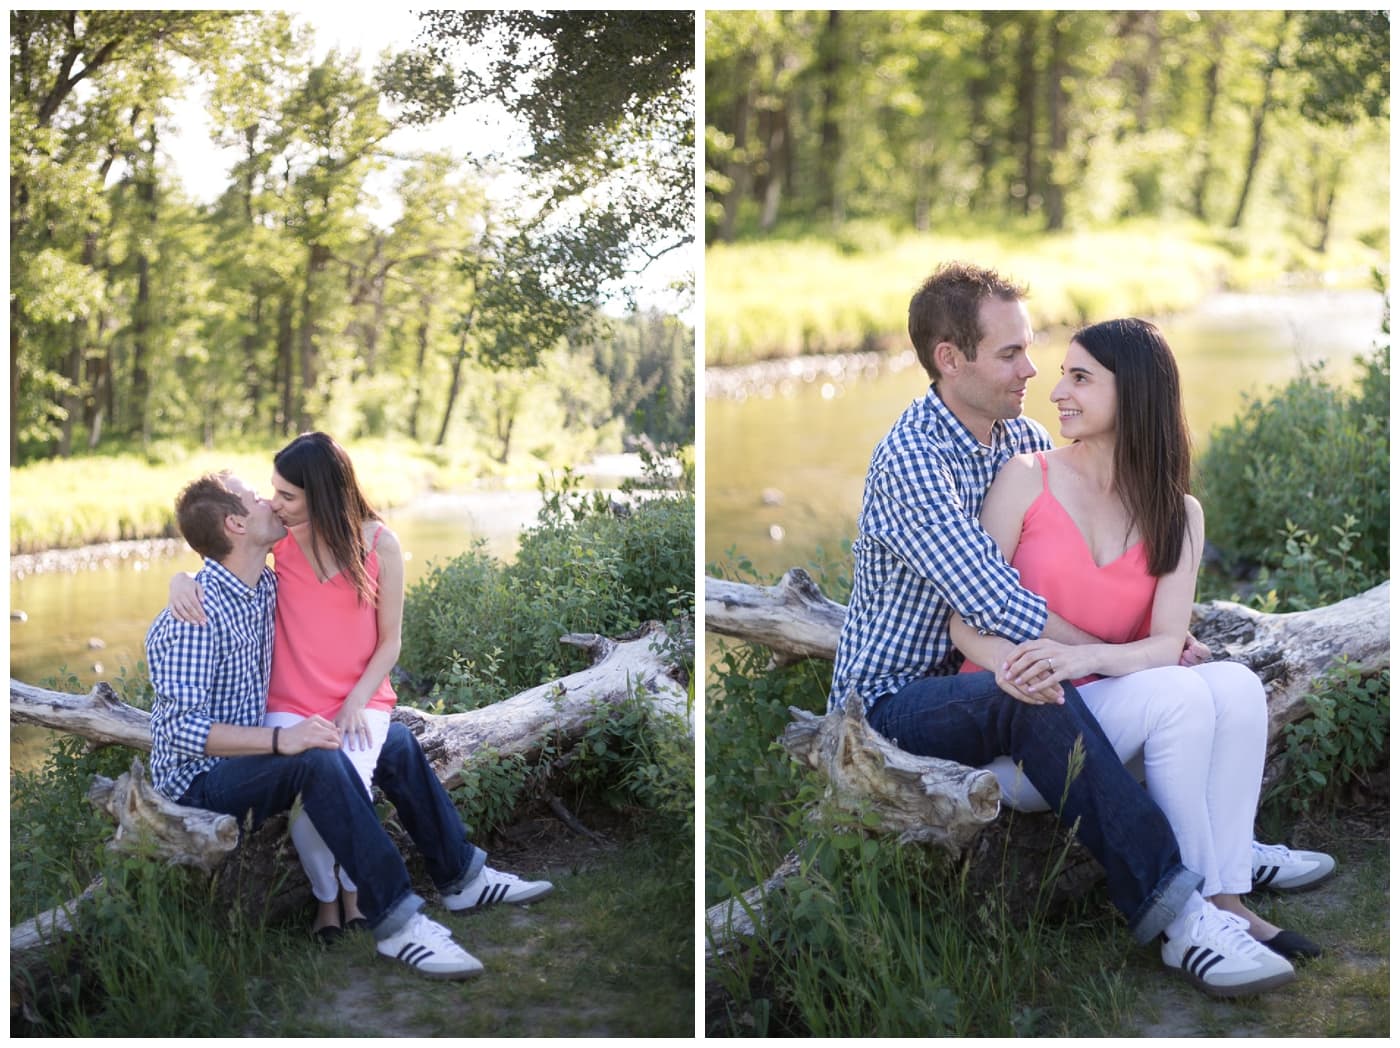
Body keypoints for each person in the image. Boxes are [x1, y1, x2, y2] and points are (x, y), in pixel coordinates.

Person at [829, 262, 1295, 997]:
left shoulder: (1019, 433)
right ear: (950, 359)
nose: (1033, 369)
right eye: (1010, 353)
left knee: (1131, 683)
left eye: (1030, 349)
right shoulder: (912, 461)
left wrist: (1157, 644)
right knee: (1031, 691)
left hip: (976, 673)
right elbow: (997, 601)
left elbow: (1068, 532)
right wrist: (1139, 654)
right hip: (893, 700)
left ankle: (1222, 873)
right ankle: (1178, 912)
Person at [948, 317, 1335, 965]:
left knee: (1235, 685)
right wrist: (1027, 672)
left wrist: (1087, 656)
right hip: (1031, 731)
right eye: (1063, 375)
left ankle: (1229, 895)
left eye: (1080, 378)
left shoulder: (1177, 513)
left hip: (1122, 708)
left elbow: (1163, 645)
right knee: (1179, 695)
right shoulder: (1026, 477)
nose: (1057, 392)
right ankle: (1191, 914)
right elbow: (965, 623)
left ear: (1135, 393)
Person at [147, 470, 537, 980]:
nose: (271, 501)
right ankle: (398, 923)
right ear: (236, 523)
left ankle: (462, 877)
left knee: (393, 739)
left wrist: (183, 572)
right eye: (257, 497)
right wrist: (284, 740)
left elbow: (341, 530)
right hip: (199, 786)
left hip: (248, 762)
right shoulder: (194, 616)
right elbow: (178, 729)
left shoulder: (264, 583)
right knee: (314, 758)